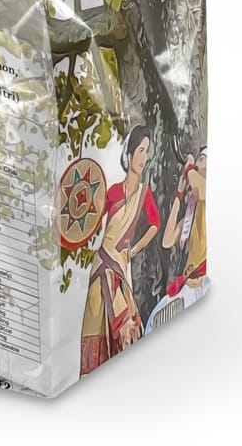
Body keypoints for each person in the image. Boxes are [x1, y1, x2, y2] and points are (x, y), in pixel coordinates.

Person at [79, 125, 161, 376]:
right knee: (98, 319)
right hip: (102, 264)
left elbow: (155, 225)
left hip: (120, 265)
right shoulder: (113, 192)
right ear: (129, 153)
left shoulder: (144, 194)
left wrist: (133, 250)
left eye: (147, 151)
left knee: (127, 326)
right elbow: (92, 223)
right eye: (140, 150)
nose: (144, 157)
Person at [160, 148, 208, 309]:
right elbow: (167, 241)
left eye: (201, 159)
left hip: (204, 283)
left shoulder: (206, 193)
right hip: (191, 285)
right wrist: (179, 194)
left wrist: (189, 168)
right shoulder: (193, 211)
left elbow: (200, 189)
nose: (197, 164)